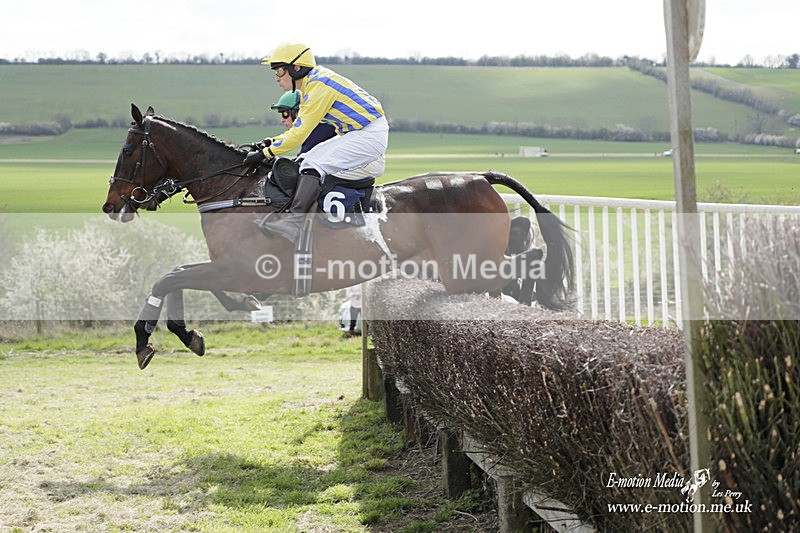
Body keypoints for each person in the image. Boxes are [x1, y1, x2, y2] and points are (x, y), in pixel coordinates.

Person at [243, 42, 389, 243]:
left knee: (313, 164)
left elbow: (298, 135)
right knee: (305, 159)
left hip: (369, 133)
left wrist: (265, 153)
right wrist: (268, 143)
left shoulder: (319, 86)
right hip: (360, 132)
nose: (276, 77)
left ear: (296, 68)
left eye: (279, 70)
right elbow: (297, 130)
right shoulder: (312, 85)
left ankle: (294, 221)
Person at [270, 89, 336, 156]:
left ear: (299, 112)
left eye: (285, 114)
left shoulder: (319, 131)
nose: (282, 120)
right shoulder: (318, 127)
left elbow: (303, 163)